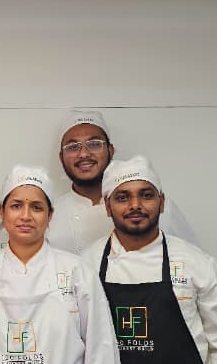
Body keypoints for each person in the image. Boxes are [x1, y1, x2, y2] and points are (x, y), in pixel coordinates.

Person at [0, 165, 119, 364]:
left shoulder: (77, 272)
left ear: (50, 215)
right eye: (16, 205)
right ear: (2, 211)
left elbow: (100, 347)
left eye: (37, 207)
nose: (26, 216)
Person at [84, 156, 217, 364]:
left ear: (161, 202)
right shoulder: (85, 265)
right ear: (108, 206)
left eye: (146, 195)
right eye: (123, 197)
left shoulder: (197, 263)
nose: (135, 205)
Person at [47, 109, 197, 255]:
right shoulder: (47, 216)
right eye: (73, 147)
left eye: (94, 144)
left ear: (110, 151)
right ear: (61, 157)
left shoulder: (161, 209)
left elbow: (193, 264)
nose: (84, 154)